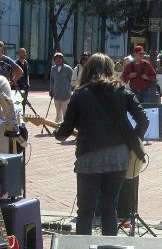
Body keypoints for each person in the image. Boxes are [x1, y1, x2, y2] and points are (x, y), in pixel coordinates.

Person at [55, 53, 149, 236]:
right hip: (119, 158)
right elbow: (144, 121)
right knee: (109, 208)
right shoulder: (122, 91)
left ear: (88, 70)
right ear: (110, 70)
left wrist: (57, 132)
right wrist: (130, 140)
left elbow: (64, 132)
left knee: (86, 211)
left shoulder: (80, 94)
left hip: (89, 158)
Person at [49, 52, 73, 126]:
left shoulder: (68, 69)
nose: (58, 60)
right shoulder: (53, 69)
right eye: (56, 59)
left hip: (65, 95)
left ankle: (66, 127)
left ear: (62, 59)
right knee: (58, 113)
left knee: (65, 113)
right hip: (56, 95)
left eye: (59, 58)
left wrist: (70, 91)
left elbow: (72, 80)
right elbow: (52, 81)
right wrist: (51, 90)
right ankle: (57, 127)